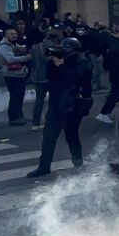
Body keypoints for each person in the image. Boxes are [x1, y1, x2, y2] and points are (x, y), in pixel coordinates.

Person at [27, 36, 92, 178]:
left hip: (72, 106)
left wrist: (62, 66)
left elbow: (75, 79)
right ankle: (44, 166)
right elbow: (50, 76)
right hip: (56, 104)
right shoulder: (57, 60)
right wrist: (54, 63)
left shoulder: (82, 62)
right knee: (48, 137)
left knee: (72, 136)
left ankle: (78, 164)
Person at [0, 27, 31, 126]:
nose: (14, 35)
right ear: (6, 35)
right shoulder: (4, 46)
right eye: (11, 34)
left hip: (17, 74)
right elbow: (10, 59)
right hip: (11, 75)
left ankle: (19, 116)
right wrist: (26, 58)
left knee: (18, 96)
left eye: (15, 34)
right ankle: (14, 118)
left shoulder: (11, 44)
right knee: (15, 97)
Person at [28, 30, 59, 130]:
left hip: (38, 77)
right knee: (54, 100)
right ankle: (52, 121)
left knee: (39, 101)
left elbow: (32, 62)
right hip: (50, 77)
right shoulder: (54, 47)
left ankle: (35, 124)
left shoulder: (35, 47)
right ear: (55, 38)